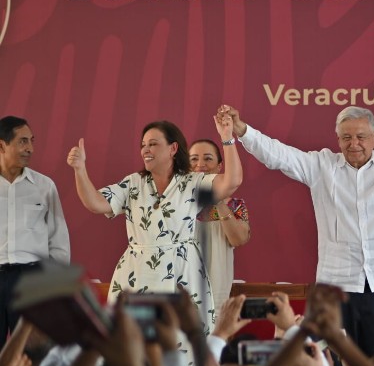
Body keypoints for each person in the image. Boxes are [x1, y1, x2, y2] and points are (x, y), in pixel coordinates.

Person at [224, 78, 374, 357]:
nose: (354, 144)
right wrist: (242, 131)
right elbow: (278, 155)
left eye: (361, 137)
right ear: (337, 138)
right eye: (346, 137)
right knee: (337, 362)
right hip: (336, 286)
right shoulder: (321, 166)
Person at [66, 111, 242, 335]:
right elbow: (96, 203)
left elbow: (232, 181)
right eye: (143, 145)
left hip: (182, 275)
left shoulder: (192, 182)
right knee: (133, 346)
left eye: (153, 144)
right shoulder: (133, 183)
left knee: (184, 346)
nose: (146, 150)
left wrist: (227, 137)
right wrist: (80, 170)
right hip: (137, 275)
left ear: (173, 149)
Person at [0, 116, 70, 349]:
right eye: (22, 141)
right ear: (2, 145)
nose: (30, 148)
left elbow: (59, 240)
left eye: (31, 141)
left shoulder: (44, 186)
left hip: (31, 281)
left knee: (33, 358)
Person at [189, 139, 251, 307]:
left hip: (216, 294)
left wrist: (219, 201)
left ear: (219, 166)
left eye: (208, 158)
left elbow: (238, 239)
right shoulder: (176, 203)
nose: (200, 164)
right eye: (194, 159)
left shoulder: (235, 205)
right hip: (181, 292)